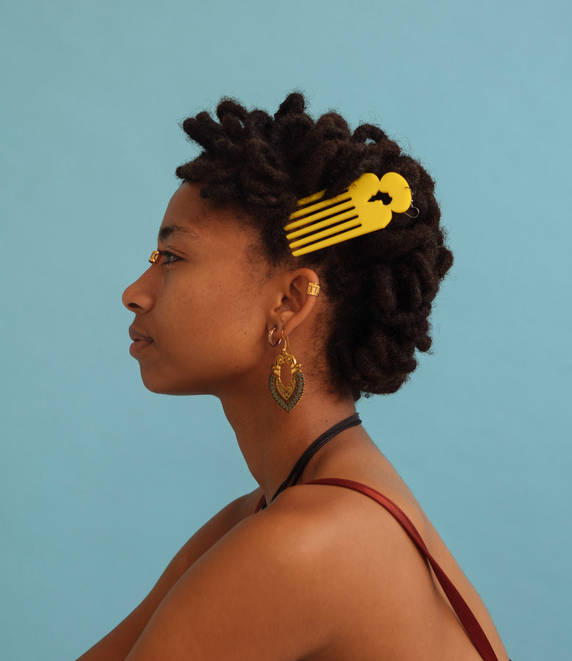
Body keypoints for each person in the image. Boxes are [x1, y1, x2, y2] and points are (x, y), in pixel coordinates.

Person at [77, 93, 509, 661]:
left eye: (174, 258)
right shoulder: (265, 515)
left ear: (288, 301)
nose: (135, 293)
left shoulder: (304, 546)